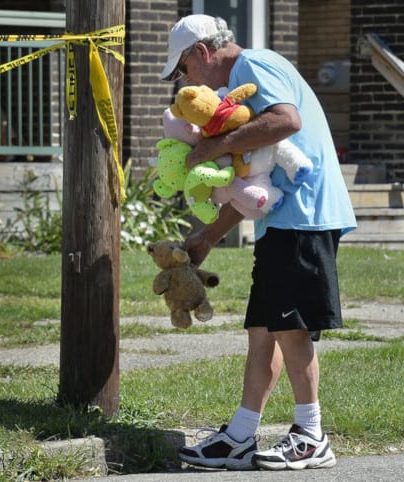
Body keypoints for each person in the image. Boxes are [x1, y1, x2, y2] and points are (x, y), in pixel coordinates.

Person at [160, 14, 357, 471]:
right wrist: (208, 236)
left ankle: (311, 435)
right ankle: (240, 437)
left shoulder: (253, 65)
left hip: (304, 216)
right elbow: (256, 178)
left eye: (183, 70)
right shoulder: (241, 91)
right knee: (264, 329)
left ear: (203, 54)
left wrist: (212, 147)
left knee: (290, 326)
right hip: (283, 219)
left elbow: (287, 121)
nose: (184, 82)